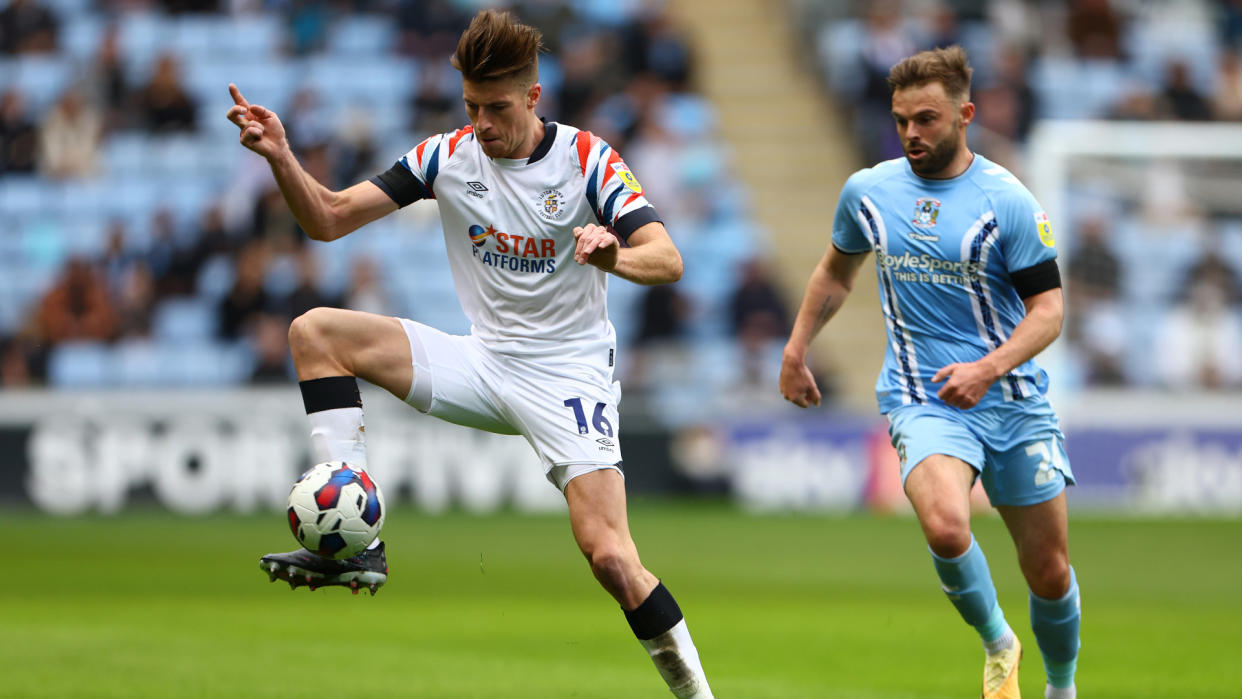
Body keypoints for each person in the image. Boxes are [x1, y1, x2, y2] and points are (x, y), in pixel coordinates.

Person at [225, 10, 712, 698]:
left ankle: (699, 694)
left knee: (610, 557)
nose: (482, 123)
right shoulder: (446, 156)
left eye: (497, 108)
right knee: (314, 332)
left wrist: (616, 252)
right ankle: (354, 537)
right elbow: (328, 218)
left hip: (569, 374)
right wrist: (281, 156)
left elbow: (667, 258)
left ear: (534, 98)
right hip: (482, 362)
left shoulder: (586, 159)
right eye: (471, 106)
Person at [779, 47, 1080, 699]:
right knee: (946, 524)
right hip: (925, 397)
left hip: (1013, 399)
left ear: (965, 115)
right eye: (901, 120)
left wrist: (988, 367)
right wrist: (797, 347)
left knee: (1050, 571)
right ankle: (1000, 642)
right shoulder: (869, 192)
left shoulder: (1009, 202)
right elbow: (837, 270)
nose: (912, 133)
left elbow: (1050, 311)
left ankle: (1061, 686)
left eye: (927, 119)